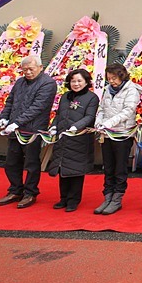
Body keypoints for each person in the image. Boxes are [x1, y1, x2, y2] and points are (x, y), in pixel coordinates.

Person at [0, 55, 57, 209]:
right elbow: (10, 101)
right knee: (11, 162)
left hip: (33, 130)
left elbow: (37, 107)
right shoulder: (20, 82)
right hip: (14, 129)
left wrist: (16, 122)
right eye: (25, 70)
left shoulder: (48, 83)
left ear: (40, 68)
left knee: (31, 163)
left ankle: (30, 192)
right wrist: (4, 118)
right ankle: (15, 190)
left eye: (31, 69)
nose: (28, 72)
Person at [47, 69, 99, 212]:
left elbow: (90, 116)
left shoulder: (92, 98)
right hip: (63, 137)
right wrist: (53, 127)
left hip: (79, 138)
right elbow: (58, 115)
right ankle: (63, 198)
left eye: (79, 81)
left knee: (76, 170)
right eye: (73, 81)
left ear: (86, 82)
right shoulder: (65, 96)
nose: (76, 84)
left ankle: (73, 200)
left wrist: (76, 127)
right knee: (62, 168)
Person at [93, 63, 140, 215]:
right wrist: (99, 122)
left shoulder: (131, 90)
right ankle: (107, 196)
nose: (111, 81)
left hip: (122, 133)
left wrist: (110, 122)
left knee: (120, 167)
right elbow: (101, 108)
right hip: (107, 133)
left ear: (122, 76)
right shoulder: (108, 90)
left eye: (114, 78)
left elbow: (128, 111)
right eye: (109, 79)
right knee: (108, 167)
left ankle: (117, 199)